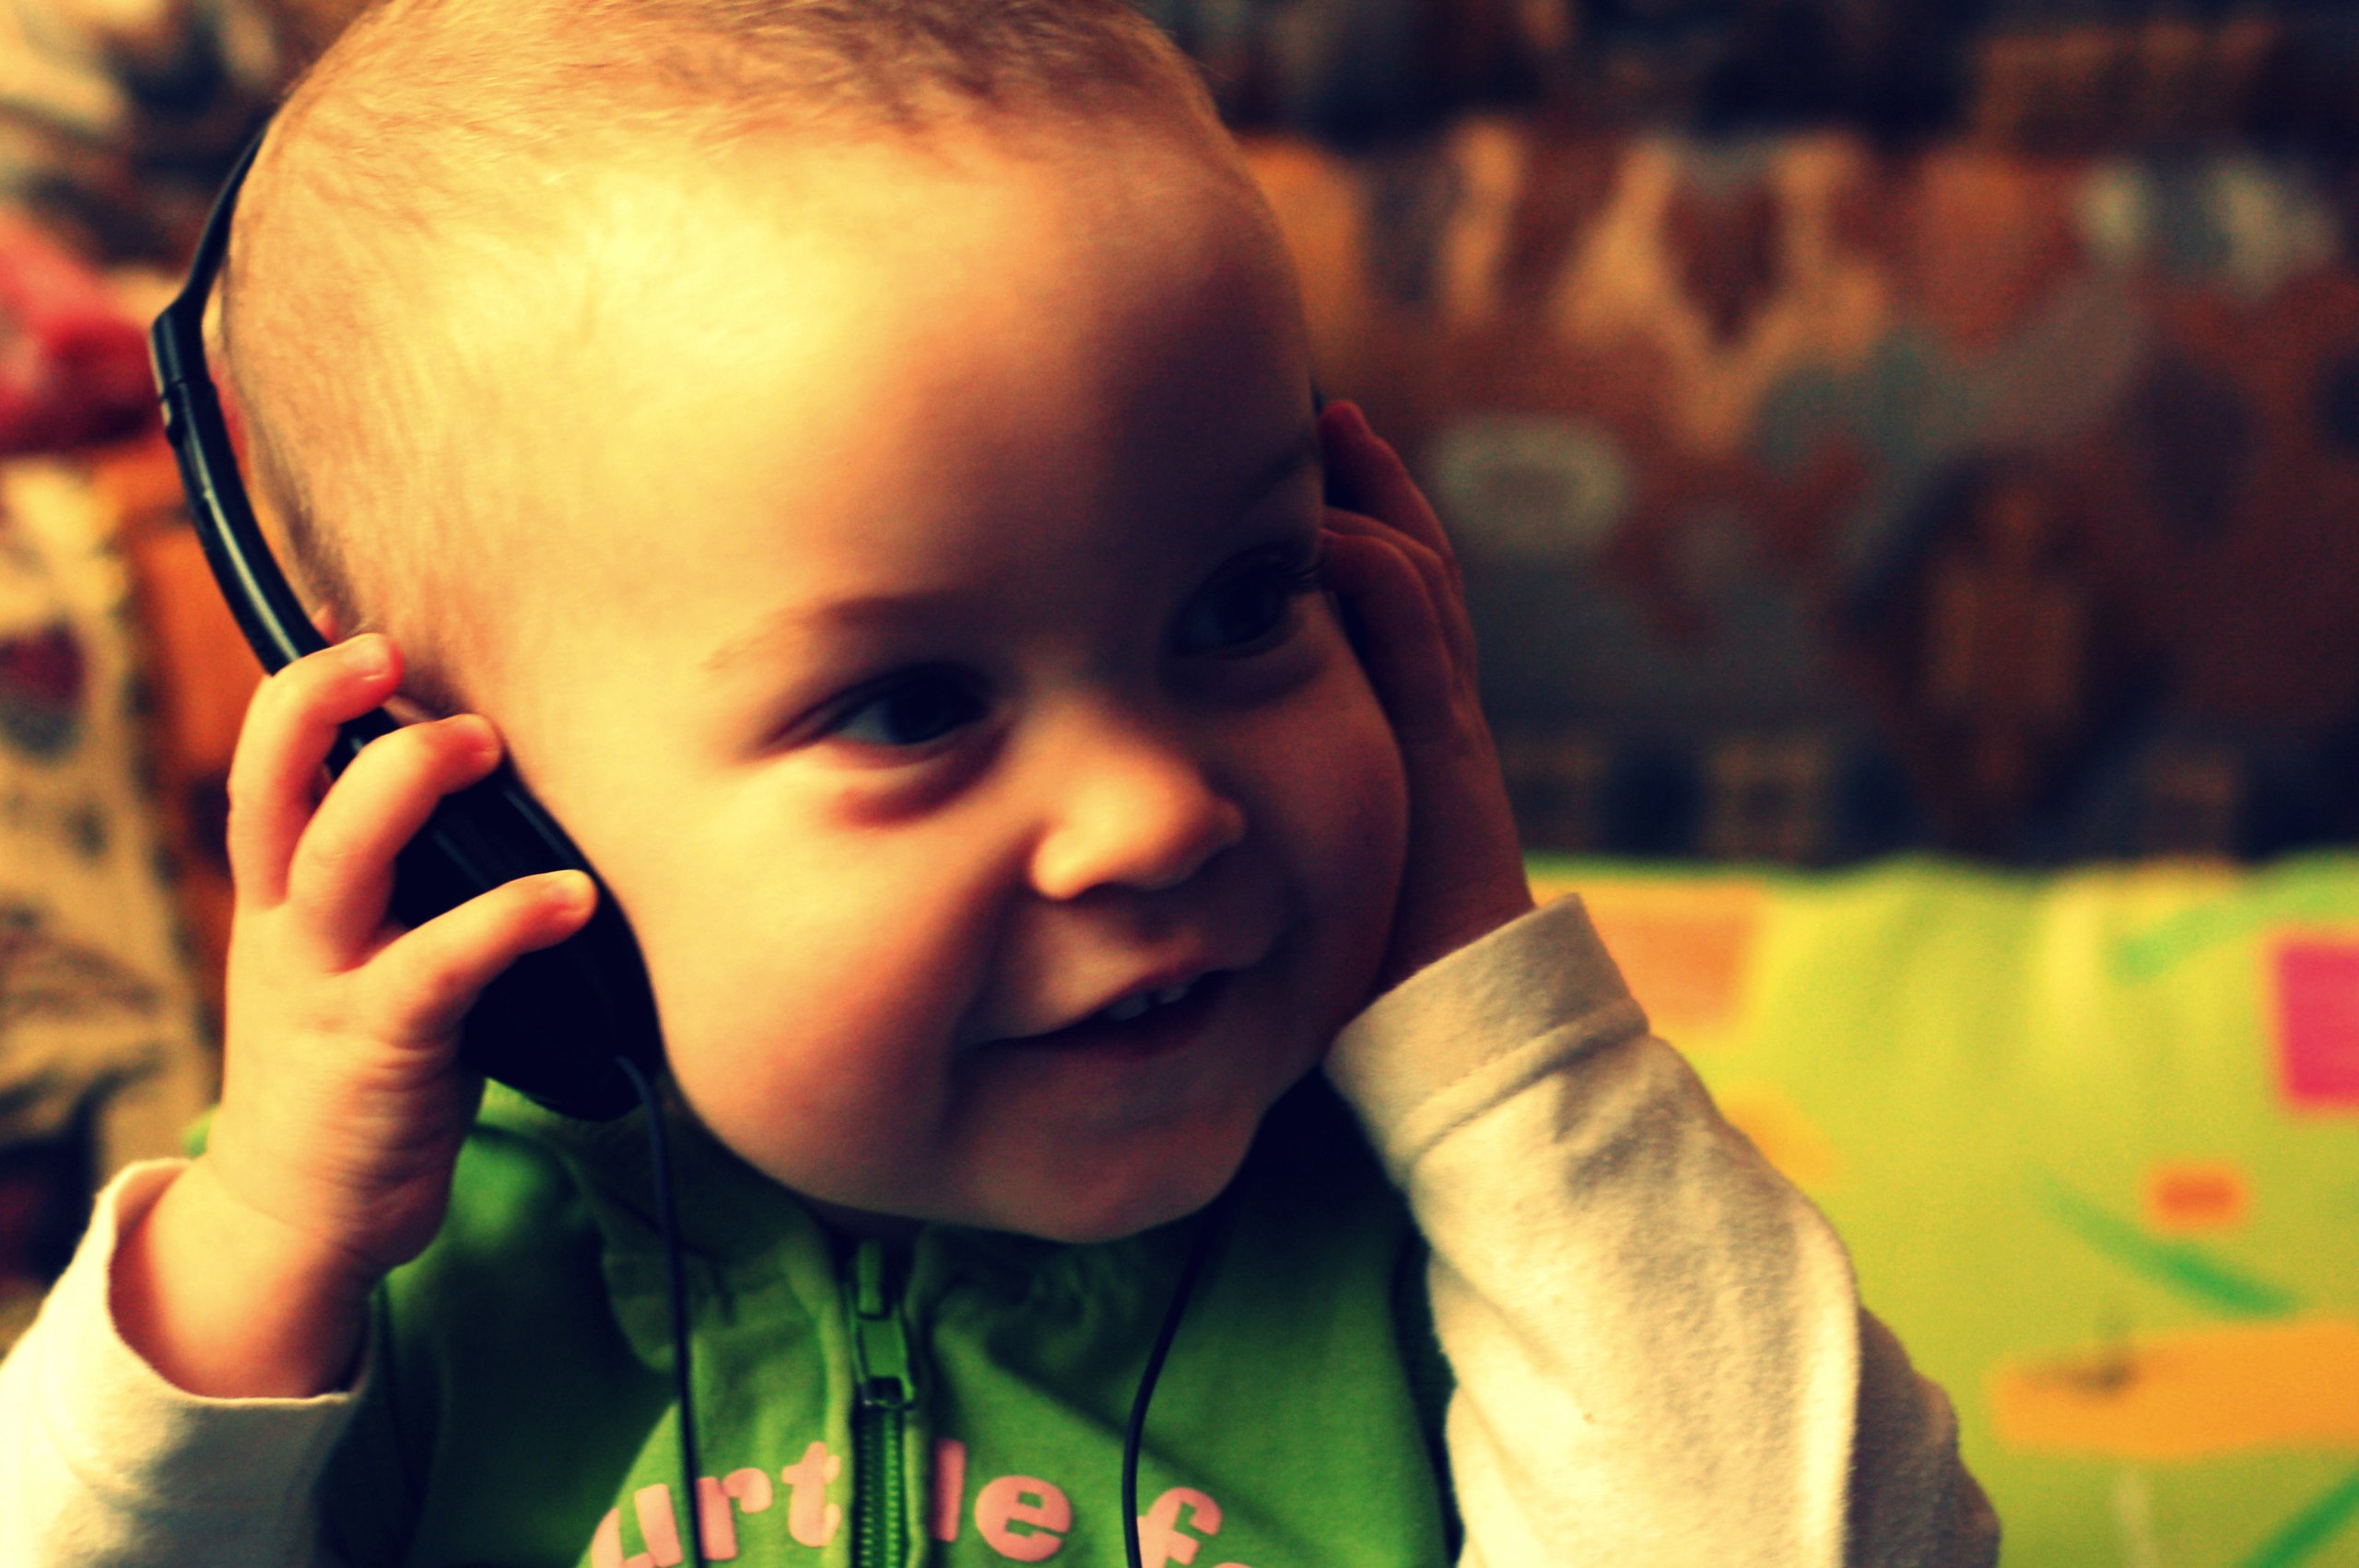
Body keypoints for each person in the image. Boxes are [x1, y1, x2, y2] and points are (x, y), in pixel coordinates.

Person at [0, 1, 2000, 1562]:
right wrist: (251, 1257)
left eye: (1243, 603)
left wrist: (1490, 1023)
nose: (1156, 812)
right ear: (468, 813)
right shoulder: (395, 1275)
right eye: (910, 707)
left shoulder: (1483, 1237)